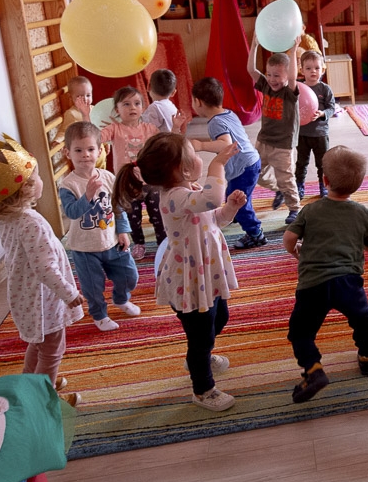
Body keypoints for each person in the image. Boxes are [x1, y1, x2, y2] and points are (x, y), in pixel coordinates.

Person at [112, 132, 247, 412]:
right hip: (189, 278)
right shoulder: (174, 196)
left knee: (219, 317)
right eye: (194, 155)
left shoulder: (190, 189)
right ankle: (202, 389)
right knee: (200, 336)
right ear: (181, 169)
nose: (200, 158)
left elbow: (214, 218)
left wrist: (231, 208)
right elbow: (211, 199)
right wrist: (216, 166)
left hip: (205, 272)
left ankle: (200, 355)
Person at [0, 134, 83, 406]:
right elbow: (45, 268)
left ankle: (30, 382)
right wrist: (69, 293)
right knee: (53, 349)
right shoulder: (30, 222)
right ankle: (42, 401)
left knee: (39, 342)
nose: (42, 180)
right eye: (37, 176)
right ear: (28, 188)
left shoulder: (9, 217)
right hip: (42, 298)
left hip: (25, 295)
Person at [283, 146, 368, 402]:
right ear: (358, 184)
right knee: (362, 317)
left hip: (312, 284)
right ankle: (367, 355)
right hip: (348, 282)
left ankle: (313, 368)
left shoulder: (310, 210)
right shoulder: (362, 213)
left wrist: (297, 252)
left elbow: (289, 238)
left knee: (301, 331)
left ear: (324, 181)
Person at [58, 121, 140, 332]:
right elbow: (72, 212)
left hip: (112, 241)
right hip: (85, 248)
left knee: (130, 276)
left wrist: (123, 230)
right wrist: (87, 195)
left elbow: (118, 205)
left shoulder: (108, 177)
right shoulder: (68, 185)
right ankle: (99, 314)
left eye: (90, 149)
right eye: (78, 150)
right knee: (93, 287)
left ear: (101, 150)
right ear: (68, 152)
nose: (85, 154)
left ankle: (121, 299)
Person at [190, 77, 266, 249]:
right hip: (249, 162)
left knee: (240, 202)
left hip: (244, 166)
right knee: (233, 193)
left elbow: (226, 144)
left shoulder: (215, 123)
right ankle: (235, 215)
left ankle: (256, 234)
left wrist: (201, 145)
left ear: (198, 102)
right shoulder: (227, 113)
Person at [94, 86, 164, 261]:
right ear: (117, 109)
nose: (132, 107)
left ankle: (163, 243)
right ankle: (139, 243)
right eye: (126, 104)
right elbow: (95, 138)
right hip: (127, 182)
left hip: (150, 181)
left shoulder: (150, 129)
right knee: (133, 216)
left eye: (137, 103)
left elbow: (163, 147)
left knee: (158, 215)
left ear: (143, 107)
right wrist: (86, 114)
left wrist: (176, 127)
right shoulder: (114, 128)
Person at [247, 36, 302, 225]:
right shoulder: (265, 86)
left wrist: (293, 51)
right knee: (256, 174)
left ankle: (295, 208)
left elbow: (294, 76)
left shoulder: (289, 93)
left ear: (286, 77)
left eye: (277, 76)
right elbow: (251, 70)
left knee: (287, 179)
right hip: (263, 141)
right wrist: (254, 45)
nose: (271, 79)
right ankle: (279, 189)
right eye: (269, 74)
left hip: (283, 145)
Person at [295, 50, 337, 199]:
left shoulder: (325, 89)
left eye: (317, 68)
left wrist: (322, 113)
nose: (313, 71)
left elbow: (332, 108)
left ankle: (323, 186)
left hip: (320, 134)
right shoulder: (298, 88)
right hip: (302, 133)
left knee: (322, 163)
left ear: (322, 70)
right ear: (301, 71)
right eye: (308, 68)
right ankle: (299, 186)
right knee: (301, 162)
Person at [55, 75, 106, 168]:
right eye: (80, 96)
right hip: (86, 157)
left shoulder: (95, 109)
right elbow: (64, 130)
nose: (85, 99)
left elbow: (102, 128)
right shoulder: (72, 113)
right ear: (71, 98)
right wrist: (57, 140)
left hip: (100, 153)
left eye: (88, 95)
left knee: (103, 177)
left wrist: (107, 143)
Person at [143, 68, 183, 136]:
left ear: (148, 87)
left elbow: (146, 130)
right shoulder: (172, 106)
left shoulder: (154, 107)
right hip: (173, 141)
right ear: (173, 93)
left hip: (161, 143)